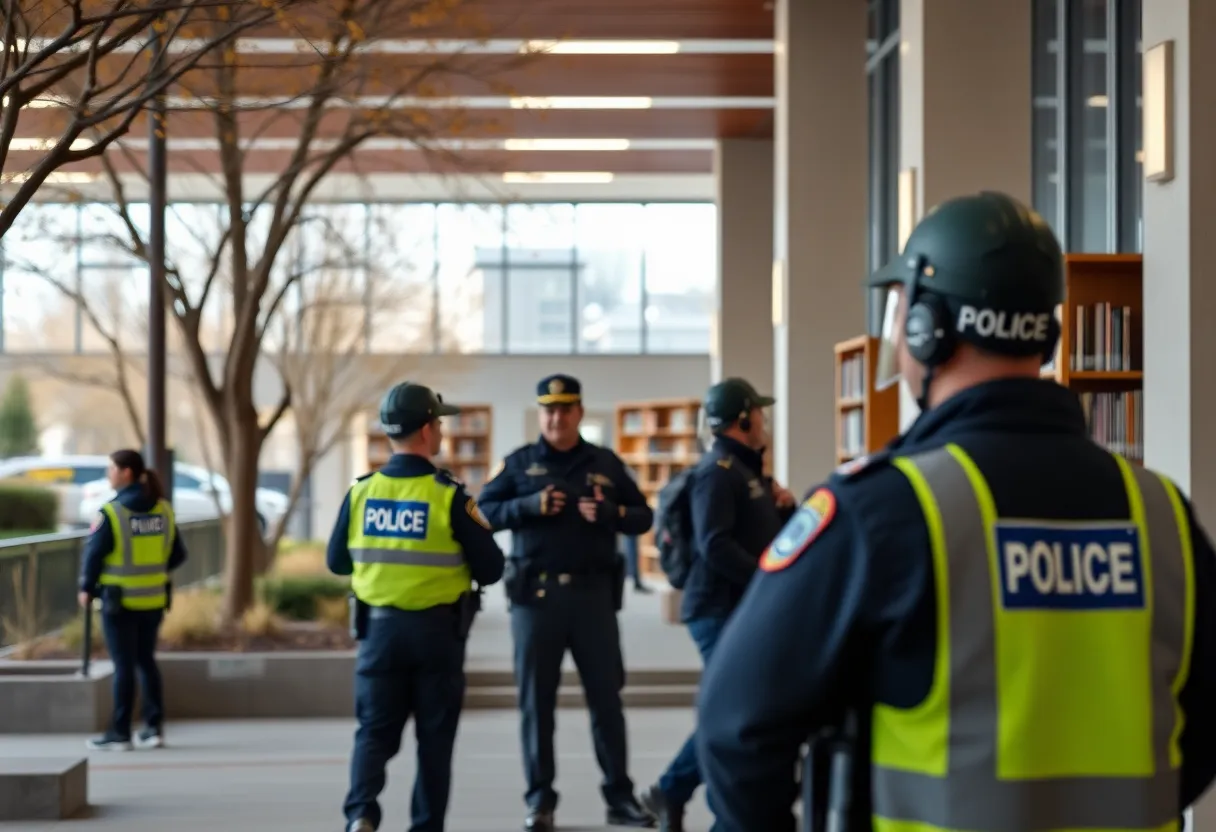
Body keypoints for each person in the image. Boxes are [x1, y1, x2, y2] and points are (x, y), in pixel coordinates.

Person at [696, 191, 1216, 832]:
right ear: (1049, 331)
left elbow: (735, 722)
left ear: (926, 327)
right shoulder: (1161, 516)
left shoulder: (881, 511)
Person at [478, 374, 657, 832]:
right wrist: (529, 506)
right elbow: (483, 513)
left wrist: (612, 514)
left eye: (564, 409)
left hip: (593, 598)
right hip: (535, 602)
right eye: (548, 410)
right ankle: (540, 801)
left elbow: (643, 516)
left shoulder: (606, 464)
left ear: (578, 412)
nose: (556, 417)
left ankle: (620, 798)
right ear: (541, 414)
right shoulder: (519, 464)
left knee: (606, 702)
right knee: (536, 705)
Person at [328, 381, 505, 832]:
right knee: (434, 742)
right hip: (436, 638)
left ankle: (361, 815)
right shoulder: (450, 496)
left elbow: (335, 561)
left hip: (379, 637)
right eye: (440, 422)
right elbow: (491, 569)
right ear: (427, 430)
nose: (442, 430)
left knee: (373, 733)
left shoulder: (361, 493)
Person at [641, 377, 795, 832]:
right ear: (743, 419)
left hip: (735, 607)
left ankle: (672, 791)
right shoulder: (717, 473)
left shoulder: (746, 473)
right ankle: (682, 795)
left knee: (735, 706)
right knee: (735, 708)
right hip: (715, 609)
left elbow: (763, 536)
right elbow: (715, 545)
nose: (765, 422)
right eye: (760, 414)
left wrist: (784, 508)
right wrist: (765, 579)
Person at [78, 448, 187, 752]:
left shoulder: (112, 513)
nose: (108, 474)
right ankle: (153, 728)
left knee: (123, 666)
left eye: (111, 468)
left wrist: (86, 587)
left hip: (119, 603)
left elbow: (94, 555)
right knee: (146, 662)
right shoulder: (163, 509)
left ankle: (121, 732)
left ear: (126, 472)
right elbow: (178, 554)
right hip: (153, 600)